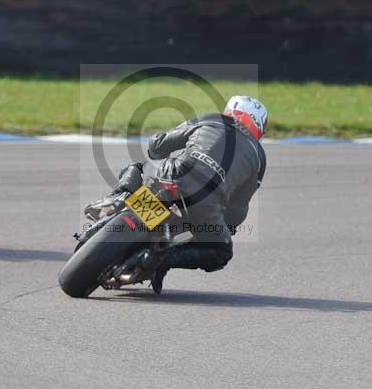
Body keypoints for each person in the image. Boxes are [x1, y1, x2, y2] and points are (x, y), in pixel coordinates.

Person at [84, 95, 268, 293]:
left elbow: (158, 144)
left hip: (171, 176)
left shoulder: (210, 119)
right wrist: (225, 226)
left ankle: (118, 197)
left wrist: (157, 153)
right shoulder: (258, 156)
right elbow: (238, 208)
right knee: (221, 251)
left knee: (138, 168)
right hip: (206, 203)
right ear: (258, 125)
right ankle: (164, 258)